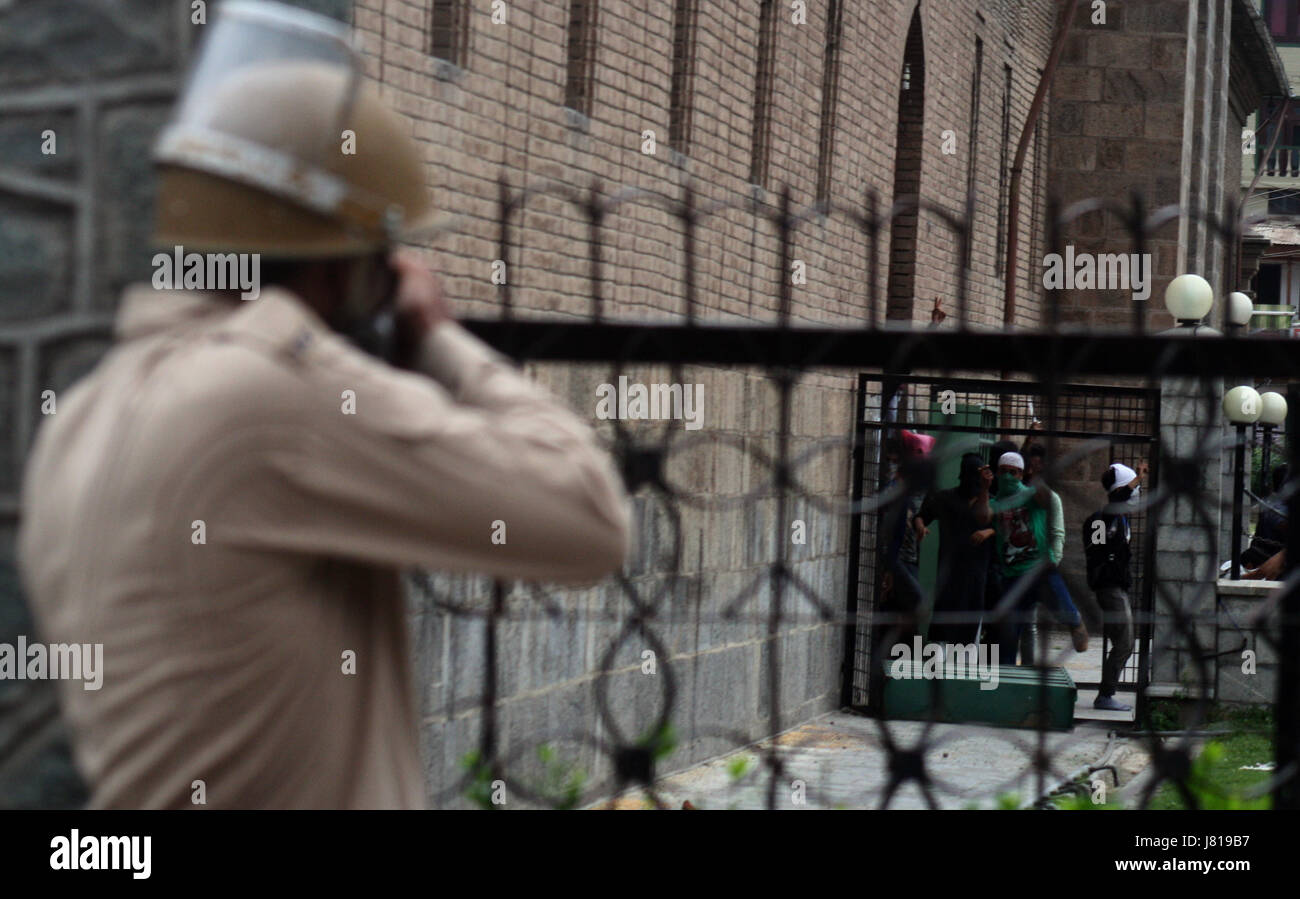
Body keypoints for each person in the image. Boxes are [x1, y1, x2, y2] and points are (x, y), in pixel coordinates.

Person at [17, 2, 631, 809]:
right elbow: (590, 518)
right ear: (341, 269)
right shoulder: (270, 390)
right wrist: (439, 338)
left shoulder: (91, 409)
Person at [988, 452, 1087, 664]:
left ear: (1021, 474)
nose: (1007, 477)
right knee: (1009, 634)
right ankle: (1006, 678)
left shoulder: (1032, 496)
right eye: (1003, 472)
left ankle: (1076, 622)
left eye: (1012, 472)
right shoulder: (995, 502)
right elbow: (983, 515)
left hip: (1039, 568)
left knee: (1062, 607)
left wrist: (1036, 476)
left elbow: (1048, 502)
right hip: (1012, 575)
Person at [1082, 462, 1145, 712]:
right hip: (1109, 589)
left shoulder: (1118, 519)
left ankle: (1106, 692)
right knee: (1125, 643)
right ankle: (1106, 694)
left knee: (1123, 642)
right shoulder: (1103, 518)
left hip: (1116, 588)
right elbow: (1099, 545)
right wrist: (1135, 480)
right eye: (1132, 490)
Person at [1019, 443, 1089, 662]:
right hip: (1018, 564)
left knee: (1055, 606)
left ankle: (1074, 621)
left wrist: (1053, 558)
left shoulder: (1050, 498)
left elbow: (1057, 532)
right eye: (1030, 467)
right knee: (1022, 623)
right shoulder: (1014, 495)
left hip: (1041, 564)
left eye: (1038, 469)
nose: (1033, 472)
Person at [917, 453, 994, 646]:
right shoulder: (945, 498)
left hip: (976, 572)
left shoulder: (989, 500)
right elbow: (921, 516)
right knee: (944, 622)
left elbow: (990, 521)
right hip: (950, 571)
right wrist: (920, 526)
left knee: (970, 623)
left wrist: (988, 531)